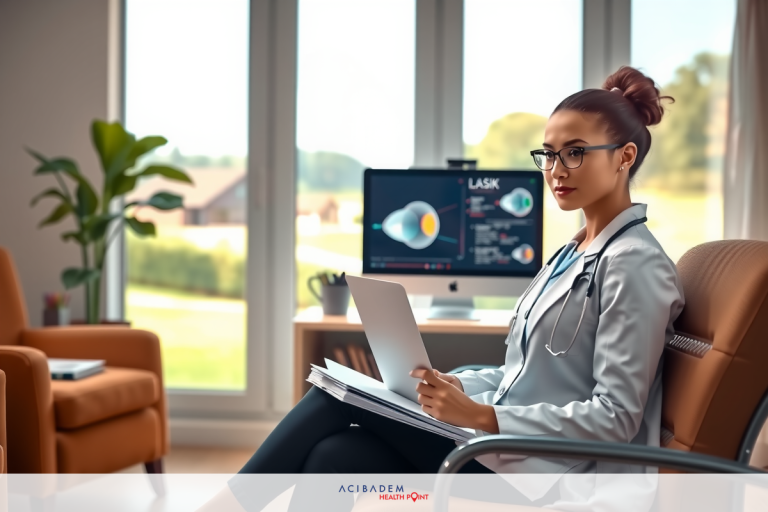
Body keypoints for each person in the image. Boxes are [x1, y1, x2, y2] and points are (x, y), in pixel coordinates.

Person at [196, 65, 685, 511]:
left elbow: (615, 417)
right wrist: (457, 387)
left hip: (556, 473)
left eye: (575, 153)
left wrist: (483, 416)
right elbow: (524, 376)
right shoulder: (572, 254)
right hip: (512, 454)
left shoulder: (635, 265)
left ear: (624, 157)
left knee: (333, 397)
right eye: (549, 154)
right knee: (335, 454)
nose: (557, 170)